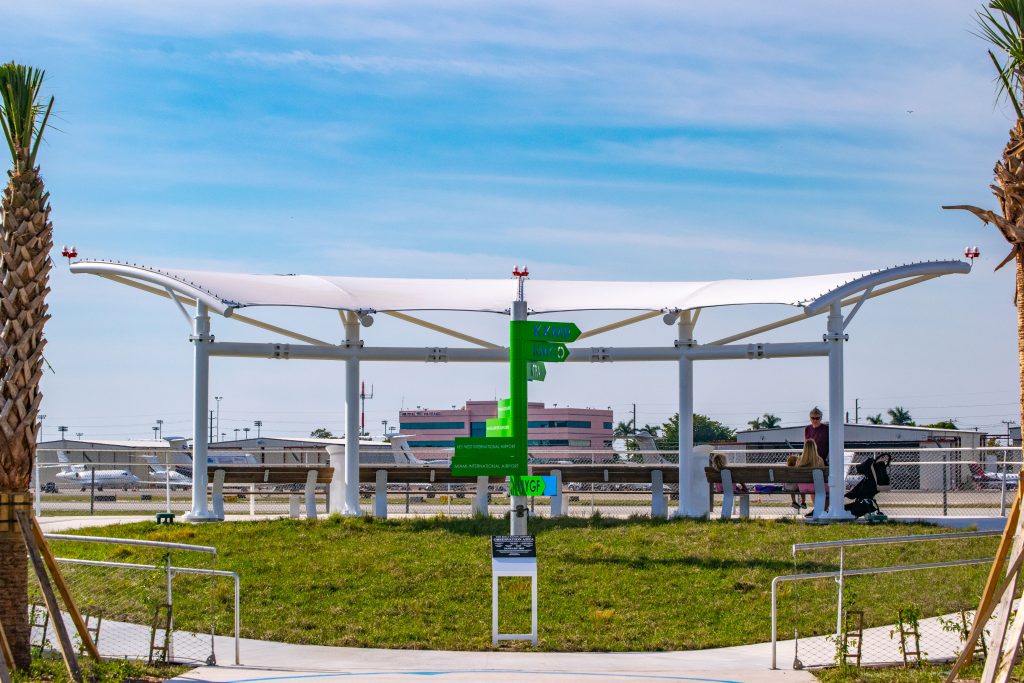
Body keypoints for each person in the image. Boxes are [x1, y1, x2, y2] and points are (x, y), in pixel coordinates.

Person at [795, 439, 825, 516]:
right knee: (818, 485)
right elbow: (823, 475)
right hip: (815, 487)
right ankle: (818, 509)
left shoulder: (799, 459)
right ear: (814, 448)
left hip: (802, 487)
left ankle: (813, 508)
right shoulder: (819, 460)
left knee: (811, 484)